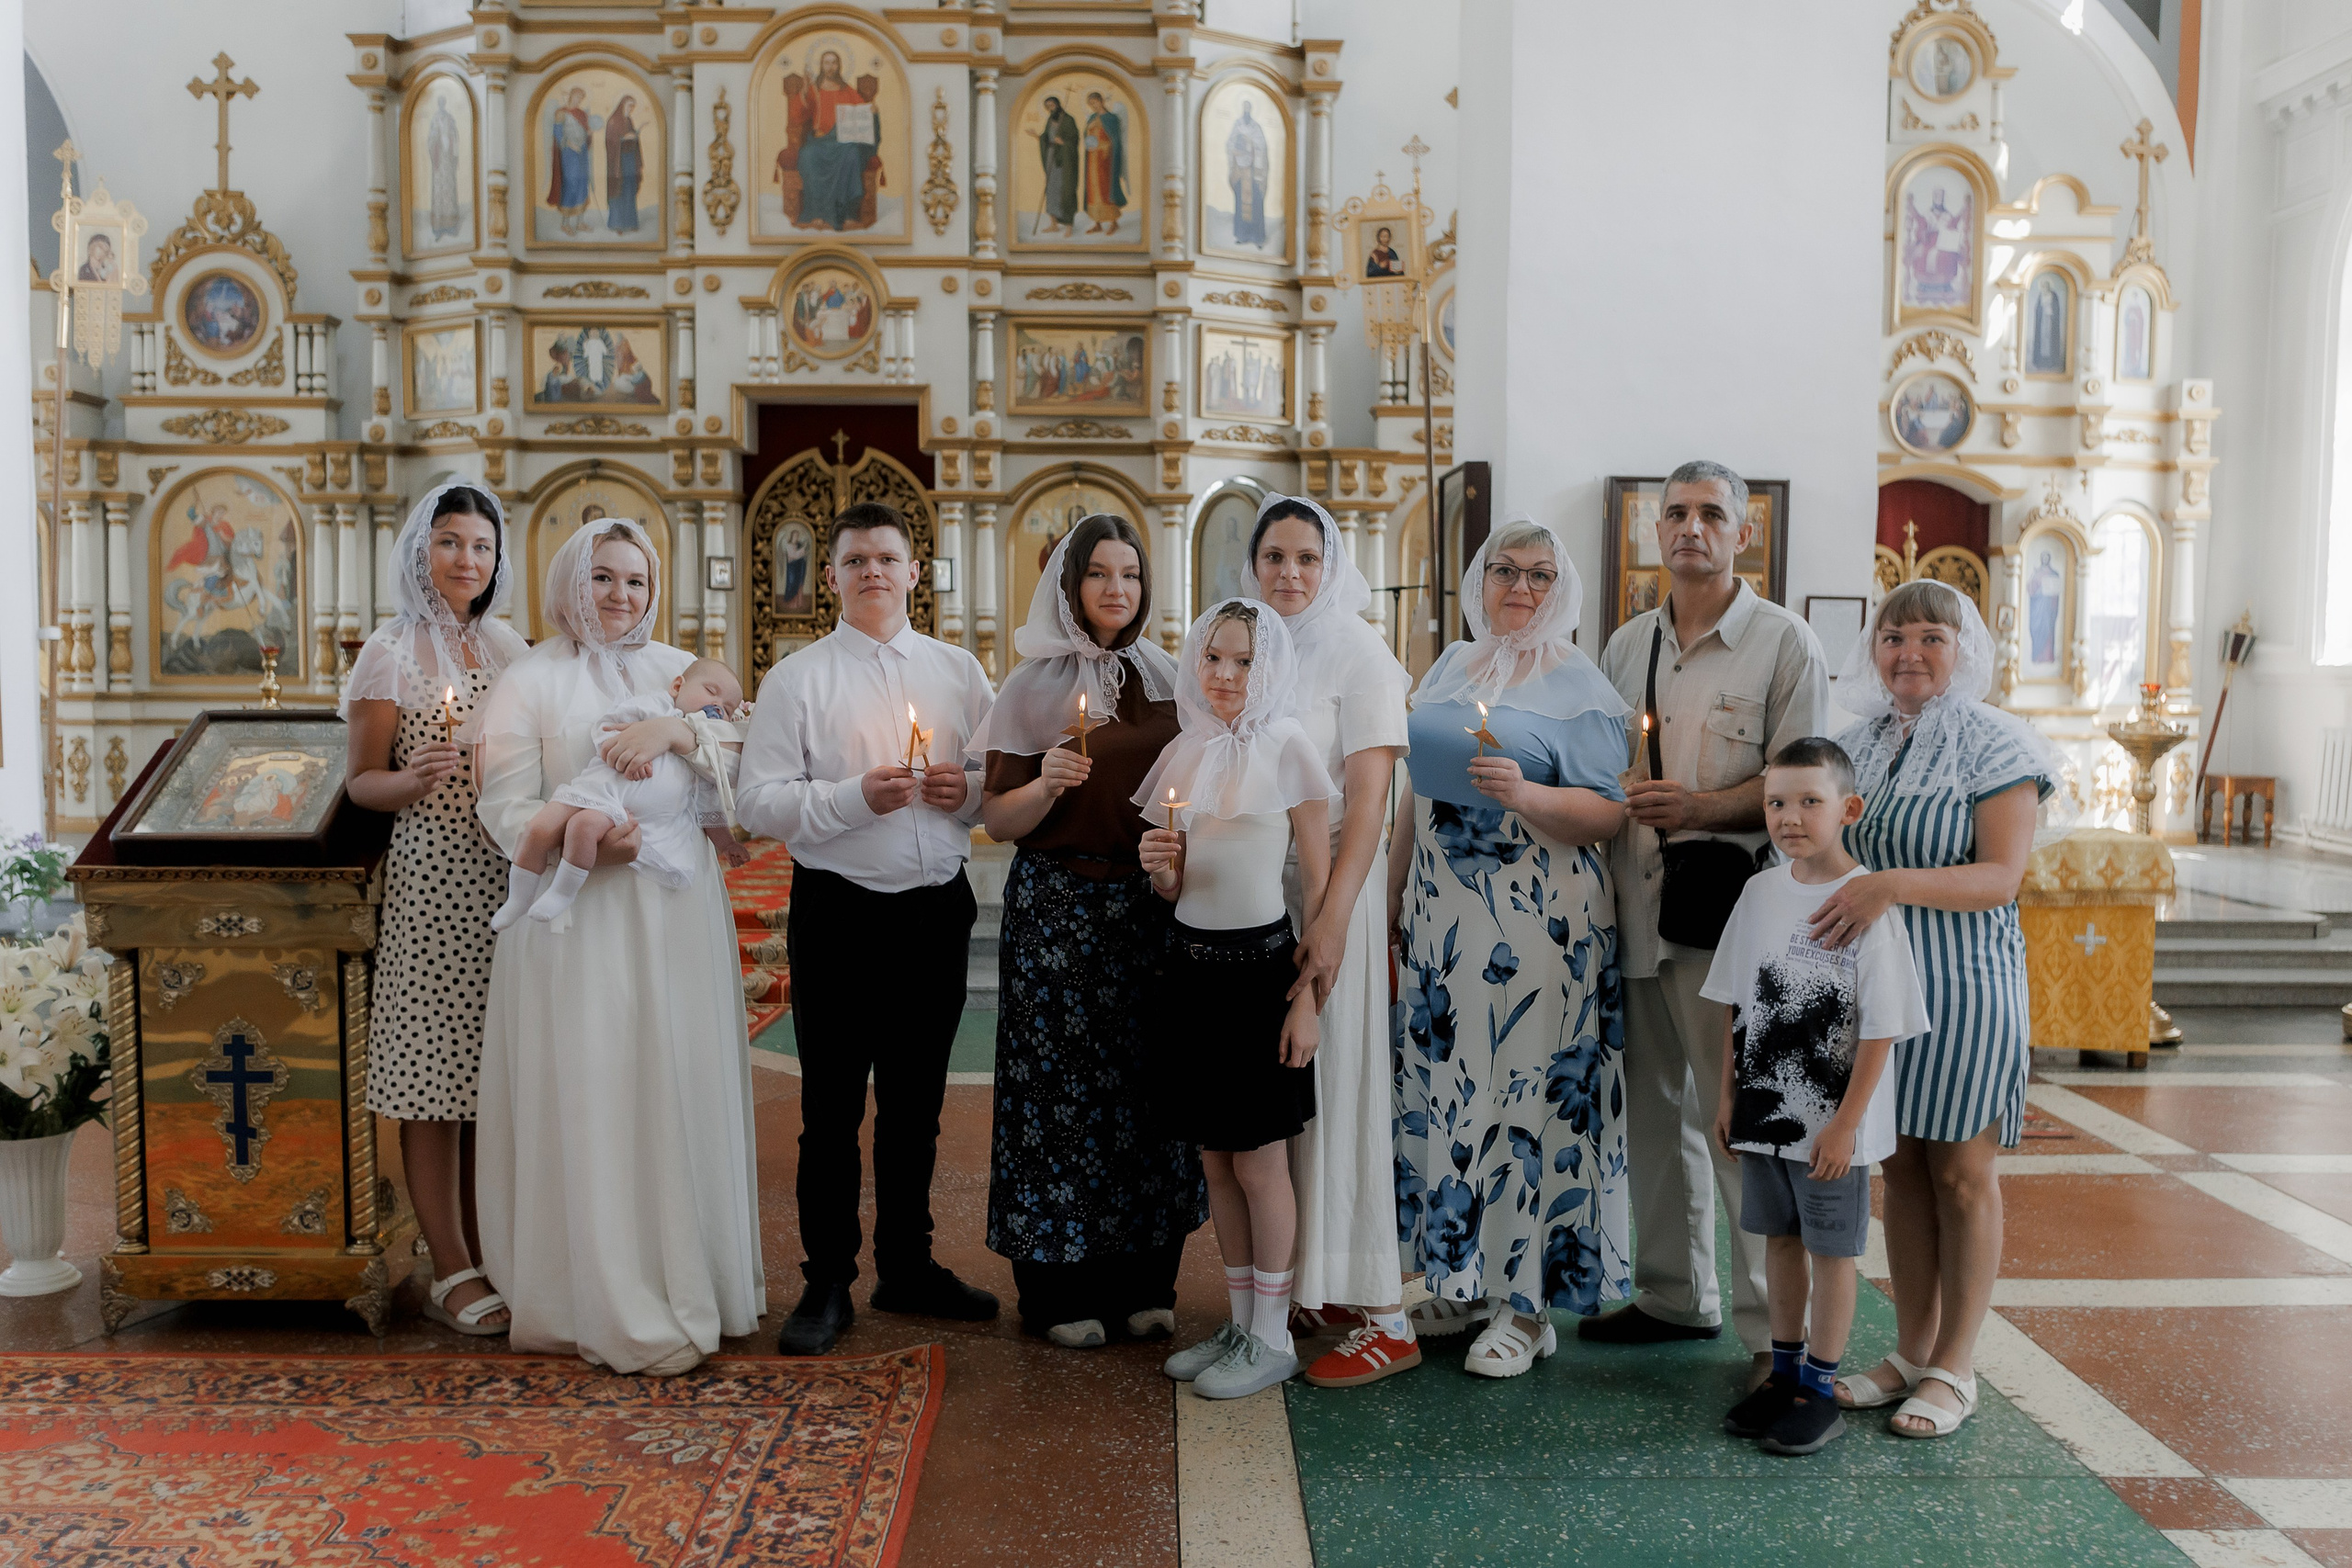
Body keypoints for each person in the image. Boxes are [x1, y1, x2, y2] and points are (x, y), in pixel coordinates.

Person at [476, 518, 763, 1376]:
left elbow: (742, 761)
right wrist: (589, 845)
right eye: (603, 578)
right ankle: (594, 1292)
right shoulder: (527, 680)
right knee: (597, 1088)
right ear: (570, 581)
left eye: (637, 581)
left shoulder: (675, 668)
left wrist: (682, 732)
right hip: (580, 926)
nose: (620, 597)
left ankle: (693, 1277)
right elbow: (503, 807)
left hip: (673, 917)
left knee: (672, 1080)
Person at [1584, 459, 1830, 1387]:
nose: (1691, 527)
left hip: (1728, 923)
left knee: (1737, 1124)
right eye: (1675, 513)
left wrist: (1695, 805)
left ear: (1743, 532)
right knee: (1650, 1112)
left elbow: (1802, 793)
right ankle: (1672, 1293)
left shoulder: (1783, 644)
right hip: (1634, 910)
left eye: (1710, 514)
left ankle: (1775, 1338)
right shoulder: (1625, 645)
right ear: (1658, 532)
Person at [737, 502, 1001, 1356]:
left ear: (915, 571)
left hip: (935, 909)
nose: (873, 572)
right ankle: (825, 1281)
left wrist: (971, 796)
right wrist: (855, 798)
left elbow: (998, 782)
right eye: (855, 561)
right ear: (834, 576)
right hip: (841, 911)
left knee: (916, 1105)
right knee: (831, 1106)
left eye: (888, 557)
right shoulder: (798, 678)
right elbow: (757, 801)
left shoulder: (960, 672)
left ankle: (908, 1265)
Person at [1381, 519, 1633, 1383]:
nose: (1517, 588)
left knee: (1528, 1101)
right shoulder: (1449, 667)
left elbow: (1608, 813)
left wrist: (1527, 794)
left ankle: (1526, 1309)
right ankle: (1461, 1278)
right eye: (1503, 571)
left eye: (1537, 574)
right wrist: (1391, 904)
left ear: (1559, 589)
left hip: (1540, 925)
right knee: (1455, 1095)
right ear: (1477, 580)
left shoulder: (1582, 686)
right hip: (1443, 920)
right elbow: (1412, 796)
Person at [1818, 580, 2052, 1439]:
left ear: (1964, 652)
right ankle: (1911, 1351)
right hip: (1882, 990)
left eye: (1930, 637)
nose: (1909, 652)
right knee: (1903, 1169)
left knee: (1960, 1172)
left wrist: (1888, 884)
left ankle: (1958, 1365)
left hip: (1967, 983)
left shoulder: (1998, 744)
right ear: (1873, 650)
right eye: (1893, 636)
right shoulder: (1861, 743)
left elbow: (2001, 875)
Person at [970, 515, 1203, 1348]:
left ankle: (1147, 1277)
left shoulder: (1172, 676)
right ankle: (1057, 1287)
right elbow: (996, 817)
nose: (1117, 590)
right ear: (1069, 586)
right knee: (1056, 1095)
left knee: (1147, 1089)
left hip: (1148, 907)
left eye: (1131, 575)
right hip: (1058, 907)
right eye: (1099, 574)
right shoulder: (1030, 685)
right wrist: (1049, 786)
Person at [341, 482, 531, 1337]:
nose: (467, 559)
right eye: (450, 542)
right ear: (422, 550)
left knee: (490, 1074)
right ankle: (450, 1264)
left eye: (482, 547)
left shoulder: (507, 644)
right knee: (430, 1079)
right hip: (430, 876)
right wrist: (410, 779)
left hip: (505, 874)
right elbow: (361, 780)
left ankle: (492, 1247)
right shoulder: (388, 651)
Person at [1705, 738, 1928, 1457]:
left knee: (1832, 1253)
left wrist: (1846, 1126)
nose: (1789, 817)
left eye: (1809, 801)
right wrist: (1726, 1096)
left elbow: (1882, 1030)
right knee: (1778, 1240)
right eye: (1776, 802)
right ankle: (1785, 1369)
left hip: (1833, 1128)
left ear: (1848, 809)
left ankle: (1821, 1388)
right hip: (1768, 1115)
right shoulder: (1759, 893)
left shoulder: (1864, 904)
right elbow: (1737, 1005)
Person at [1138, 599, 1337, 1400]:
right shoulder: (1185, 751)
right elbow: (1179, 881)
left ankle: (1271, 1335)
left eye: (1244, 661)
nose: (1224, 674)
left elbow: (1320, 883)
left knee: (1260, 1162)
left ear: (1272, 668)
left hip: (1260, 972)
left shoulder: (1290, 745)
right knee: (1215, 1159)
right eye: (1213, 657)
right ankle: (1239, 1318)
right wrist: (1161, 873)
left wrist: (1310, 999)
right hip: (1191, 968)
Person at [1246, 495, 1414, 1353]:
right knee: (1291, 1098)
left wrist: (1339, 920)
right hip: (1260, 899)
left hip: (1336, 890)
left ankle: (1383, 1308)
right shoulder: (1253, 648)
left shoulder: (1359, 651)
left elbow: (1373, 801)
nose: (1289, 573)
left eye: (1306, 558)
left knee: (1343, 1087)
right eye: (1274, 556)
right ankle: (1320, 1282)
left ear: (1331, 565)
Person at [491, 658, 750, 931]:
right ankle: (518, 899)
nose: (717, 706)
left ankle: (563, 894)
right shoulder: (654, 705)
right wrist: (625, 755)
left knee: (584, 827)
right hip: (594, 789)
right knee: (537, 828)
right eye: (711, 692)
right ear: (677, 685)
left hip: (621, 815)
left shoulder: (704, 750)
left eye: (727, 709)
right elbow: (607, 727)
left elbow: (708, 810)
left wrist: (728, 844)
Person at [548, 87, 594, 234]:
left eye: (581, 98)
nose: (579, 100)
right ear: (572, 95)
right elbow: (558, 133)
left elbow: (585, 134)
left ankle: (580, 222)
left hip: (582, 154)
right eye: (578, 97)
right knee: (570, 184)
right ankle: (565, 223)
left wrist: (589, 134)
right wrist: (569, 144)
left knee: (582, 184)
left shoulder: (582, 114)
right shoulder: (561, 113)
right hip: (569, 154)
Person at [1081, 92, 1127, 234]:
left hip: (1106, 159)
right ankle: (1098, 223)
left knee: (1106, 188)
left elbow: (1115, 139)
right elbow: (1087, 135)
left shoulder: (1111, 118)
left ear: (1101, 101)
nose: (1093, 106)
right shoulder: (1092, 118)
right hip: (1093, 157)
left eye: (1095, 102)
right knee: (1093, 189)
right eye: (1091, 104)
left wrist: (1107, 146)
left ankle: (1113, 222)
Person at [1037, 96, 1080, 237]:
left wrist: (1063, 142)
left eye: (1052, 105)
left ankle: (1068, 226)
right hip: (1051, 158)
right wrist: (1039, 137)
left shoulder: (1068, 120)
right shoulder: (1050, 120)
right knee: (1051, 190)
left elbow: (1074, 140)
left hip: (1065, 161)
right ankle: (1054, 223)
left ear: (1057, 104)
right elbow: (1047, 137)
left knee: (1066, 190)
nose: (1050, 108)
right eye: (1047, 106)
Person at [605, 96, 641, 234]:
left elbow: (632, 137)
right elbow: (610, 141)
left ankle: (631, 222)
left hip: (630, 159)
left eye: (633, 106)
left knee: (630, 189)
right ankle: (617, 224)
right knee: (619, 192)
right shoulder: (613, 121)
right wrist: (624, 138)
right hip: (617, 164)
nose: (631, 109)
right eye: (629, 106)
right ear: (622, 106)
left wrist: (634, 137)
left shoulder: (629, 120)